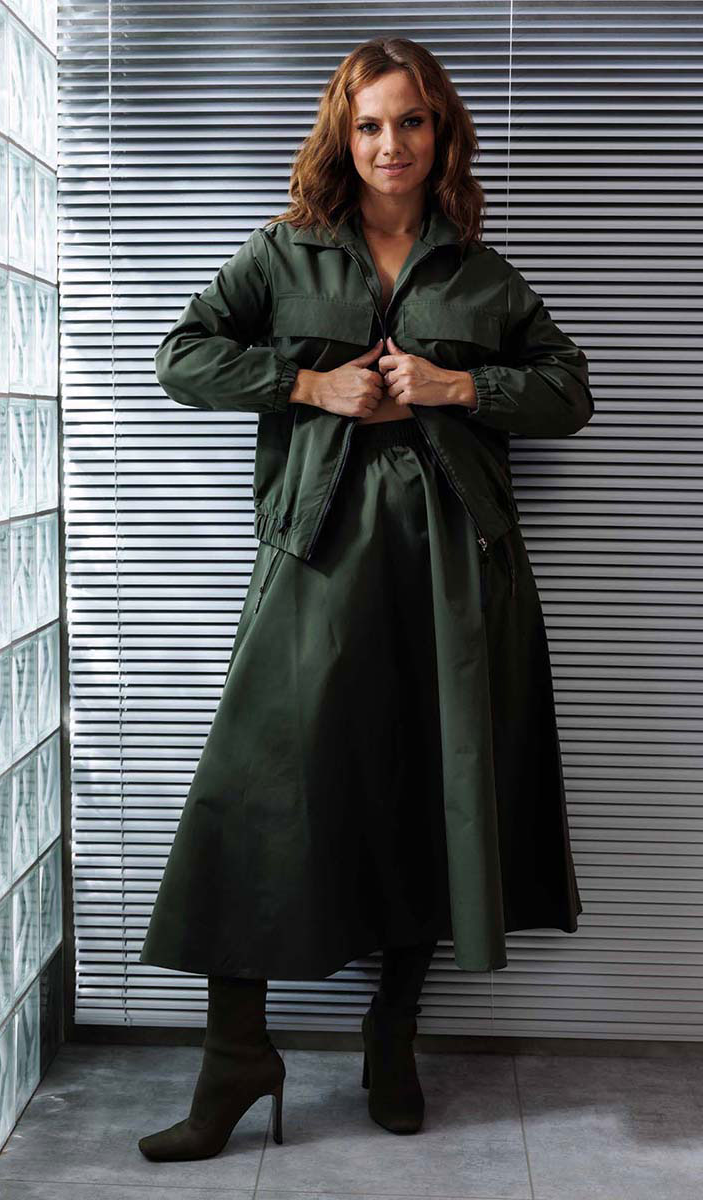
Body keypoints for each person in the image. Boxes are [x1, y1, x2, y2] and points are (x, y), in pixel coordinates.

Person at [137, 36, 593, 1163]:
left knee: (427, 790)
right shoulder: (283, 251)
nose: (392, 145)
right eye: (370, 124)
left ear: (442, 134)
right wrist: (307, 381)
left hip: (454, 577)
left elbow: (567, 391)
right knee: (254, 792)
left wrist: (457, 383)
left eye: (412, 122)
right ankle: (235, 1055)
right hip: (316, 565)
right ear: (343, 137)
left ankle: (393, 1035)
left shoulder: (480, 274)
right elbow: (183, 357)